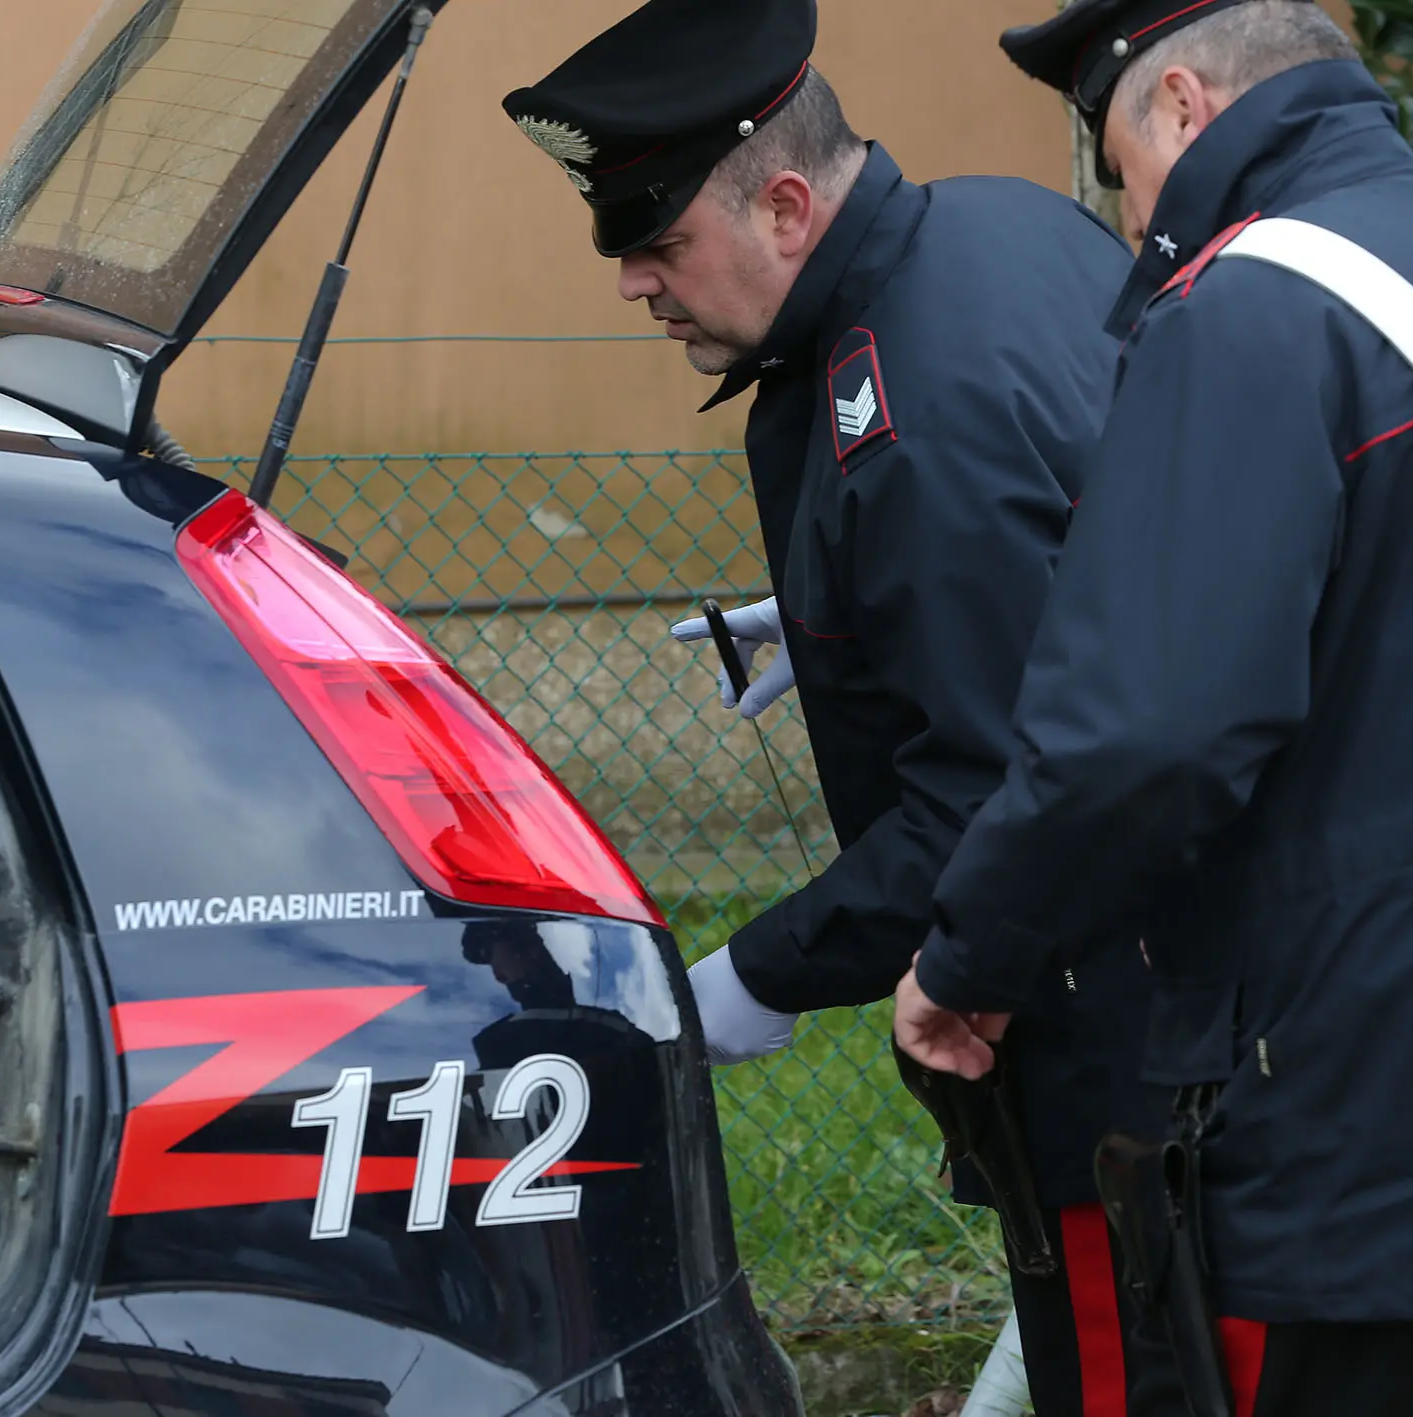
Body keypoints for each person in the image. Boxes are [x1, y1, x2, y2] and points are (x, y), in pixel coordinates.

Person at [891, 1, 1413, 1414]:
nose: (1126, 218)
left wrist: (970, 957)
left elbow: (1144, 733)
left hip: (1388, 1134)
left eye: (1117, 164)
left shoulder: (1243, 310)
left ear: (1179, 105)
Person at [501, 3, 1181, 1412]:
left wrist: (757, 976)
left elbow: (993, 792)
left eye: (659, 242)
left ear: (789, 204)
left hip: (1107, 1020)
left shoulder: (912, 404)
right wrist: (837, 619)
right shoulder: (993, 233)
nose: (633, 283)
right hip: (1199, 982)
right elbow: (1082, 560)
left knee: (1132, 1378)